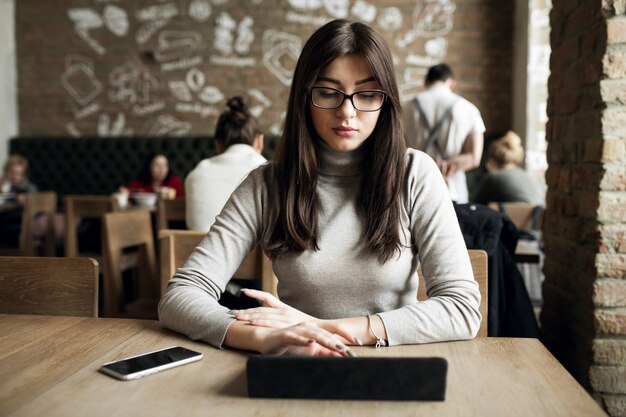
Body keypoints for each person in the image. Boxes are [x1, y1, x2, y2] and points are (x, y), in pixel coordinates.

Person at [159, 19, 481, 357]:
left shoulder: (415, 173)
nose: (347, 112)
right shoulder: (266, 184)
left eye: (367, 94)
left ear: (386, 102)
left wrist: (329, 330)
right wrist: (261, 337)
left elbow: (461, 308)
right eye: (328, 92)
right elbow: (180, 296)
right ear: (305, 97)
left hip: (390, 367)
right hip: (297, 364)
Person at [403, 63, 485, 203]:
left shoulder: (403, 107)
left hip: (413, 184)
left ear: (425, 82)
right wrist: (449, 165)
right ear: (452, 83)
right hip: (453, 190)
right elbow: (474, 157)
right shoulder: (469, 109)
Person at [185, 96, 267, 232]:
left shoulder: (196, 174)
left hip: (197, 252)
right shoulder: (271, 172)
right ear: (260, 141)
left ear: (217, 145)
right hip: (256, 252)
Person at [471, 131, 544, 205]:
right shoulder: (531, 178)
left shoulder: (492, 178)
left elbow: (473, 207)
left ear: (491, 161)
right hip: (534, 216)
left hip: (506, 216)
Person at [119, 153, 184, 198]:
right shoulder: (137, 184)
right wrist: (124, 194)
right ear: (149, 167)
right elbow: (129, 196)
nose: (162, 169)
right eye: (157, 165)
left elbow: (182, 201)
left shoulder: (174, 182)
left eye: (165, 165)